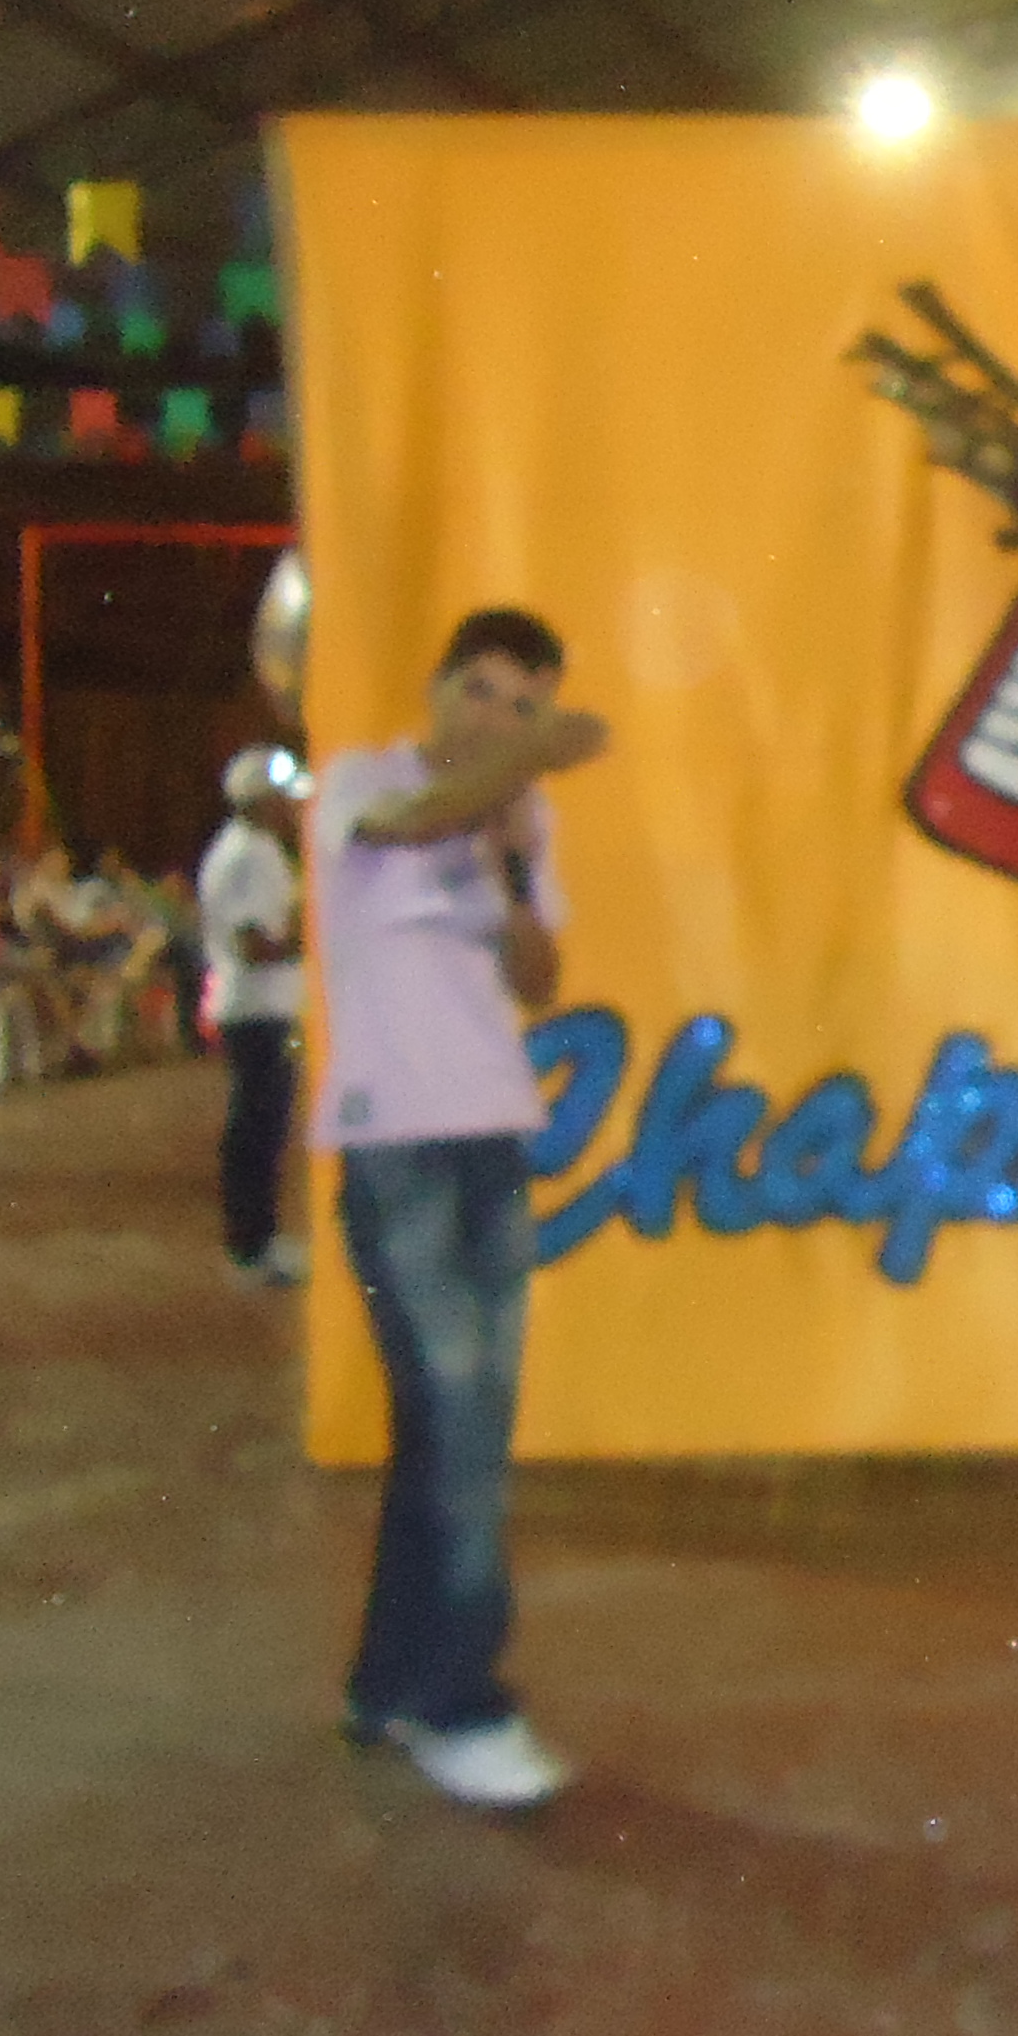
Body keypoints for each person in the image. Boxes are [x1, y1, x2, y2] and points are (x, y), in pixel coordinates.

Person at [318, 608, 608, 1812]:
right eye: (482, 692)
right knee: (460, 1427)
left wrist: (518, 868)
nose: (498, 720)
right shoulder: (362, 783)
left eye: (525, 706)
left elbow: (539, 980)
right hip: (397, 1144)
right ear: (437, 687)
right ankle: (460, 1703)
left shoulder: (520, 816)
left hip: (494, 1137)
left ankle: (392, 1681)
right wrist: (527, 763)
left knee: (452, 1426)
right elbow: (410, 824)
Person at [199, 749, 311, 1288]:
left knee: (261, 1126)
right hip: (258, 1007)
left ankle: (256, 1239)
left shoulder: (247, 849)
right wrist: (312, 935)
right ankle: (252, 1246)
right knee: (258, 1128)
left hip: (257, 1006)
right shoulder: (251, 855)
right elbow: (254, 944)